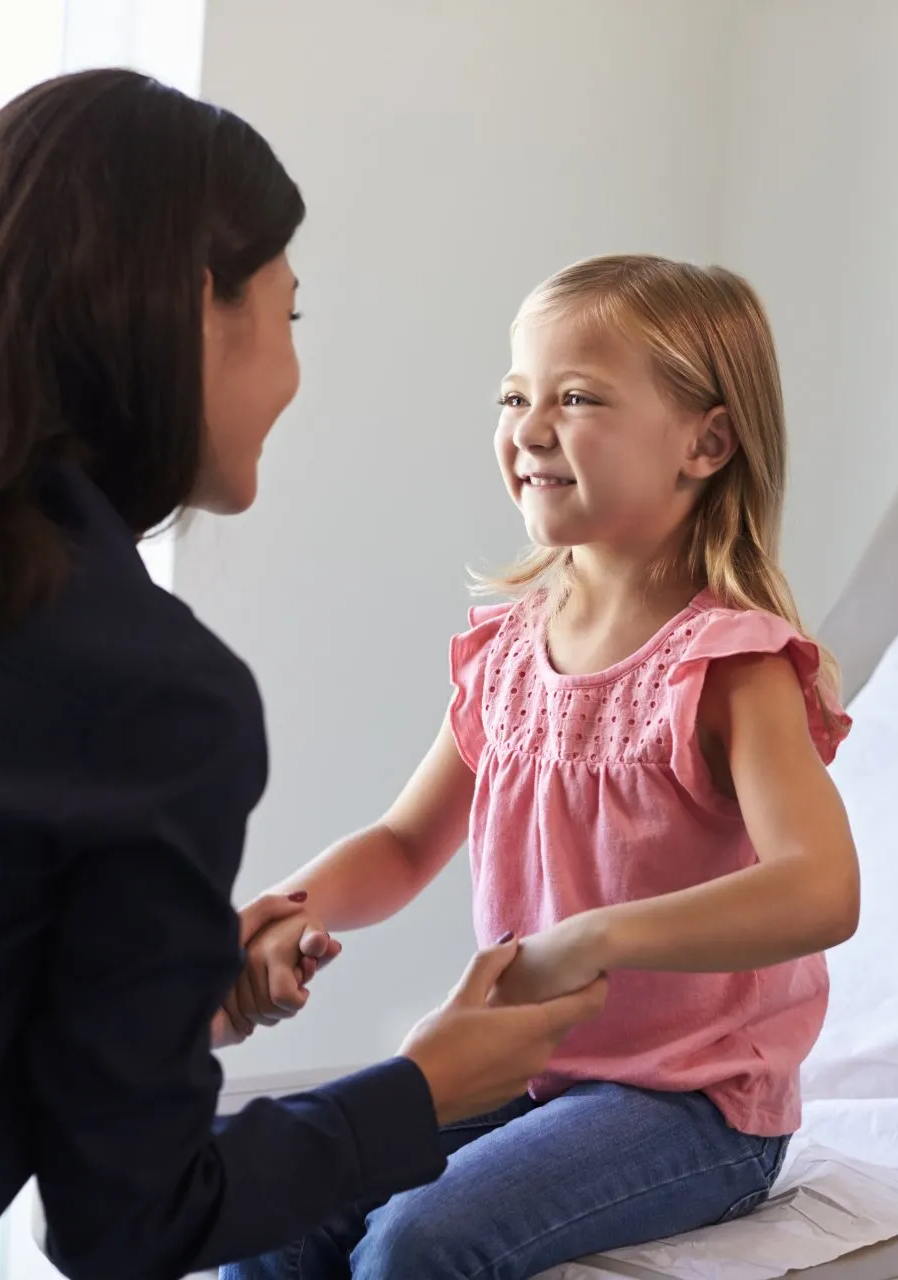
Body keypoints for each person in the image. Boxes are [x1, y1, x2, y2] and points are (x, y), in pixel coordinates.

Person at [0, 69, 604, 1280]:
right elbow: (128, 1221)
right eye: (288, 314)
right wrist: (422, 1087)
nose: (293, 375)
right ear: (197, 308)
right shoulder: (151, 688)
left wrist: (165, 995)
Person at [218, 254, 862, 1280]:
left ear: (706, 442)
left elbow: (822, 887)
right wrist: (292, 908)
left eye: (577, 398)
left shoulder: (729, 664)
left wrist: (596, 937)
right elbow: (403, 844)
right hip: (525, 1069)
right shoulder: (511, 651)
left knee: (417, 1243)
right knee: (275, 1211)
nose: (529, 427)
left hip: (692, 1104)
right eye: (515, 396)